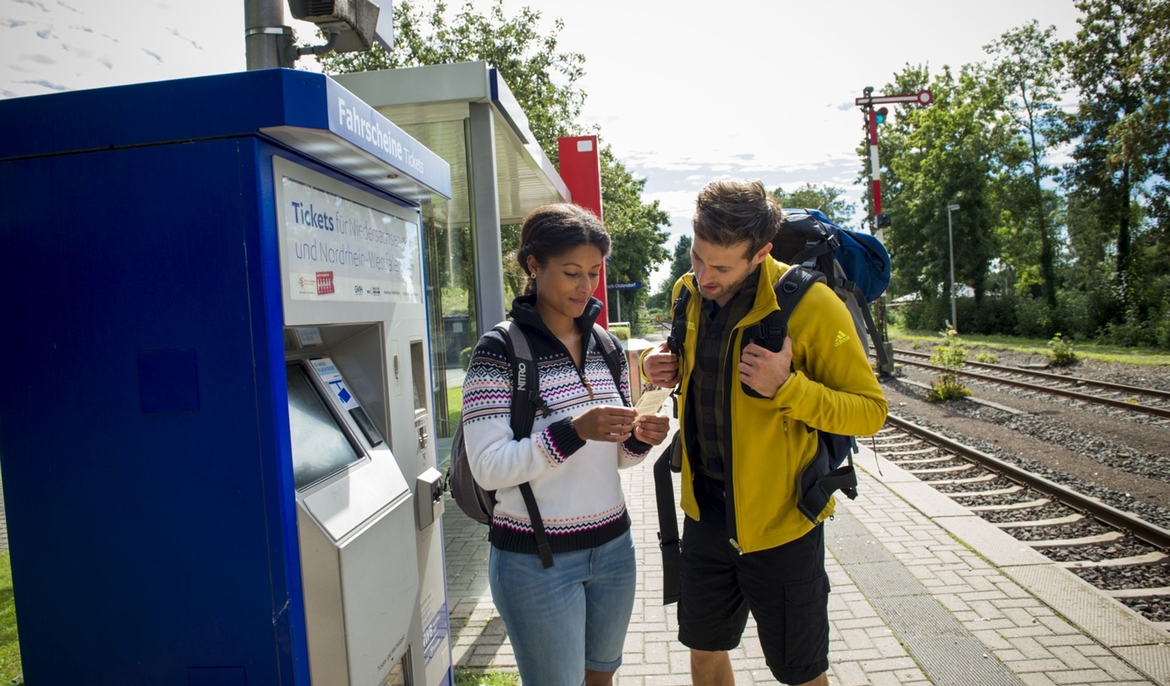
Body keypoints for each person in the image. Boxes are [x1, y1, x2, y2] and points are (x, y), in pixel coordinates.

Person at [641, 181, 888, 686]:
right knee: (704, 650)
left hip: (781, 525)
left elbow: (870, 412)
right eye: (697, 256)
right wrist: (659, 368)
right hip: (705, 515)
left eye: (722, 266)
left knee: (800, 673)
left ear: (762, 253)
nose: (705, 276)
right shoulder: (686, 293)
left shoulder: (812, 306)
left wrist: (789, 388)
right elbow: (691, 374)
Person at [462, 203, 672, 686]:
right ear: (534, 266)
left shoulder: (606, 346)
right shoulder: (499, 351)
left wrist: (638, 438)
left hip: (615, 549)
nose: (586, 287)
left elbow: (615, 459)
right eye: (572, 273)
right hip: (536, 561)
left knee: (602, 679)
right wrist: (576, 429)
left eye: (595, 273)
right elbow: (489, 468)